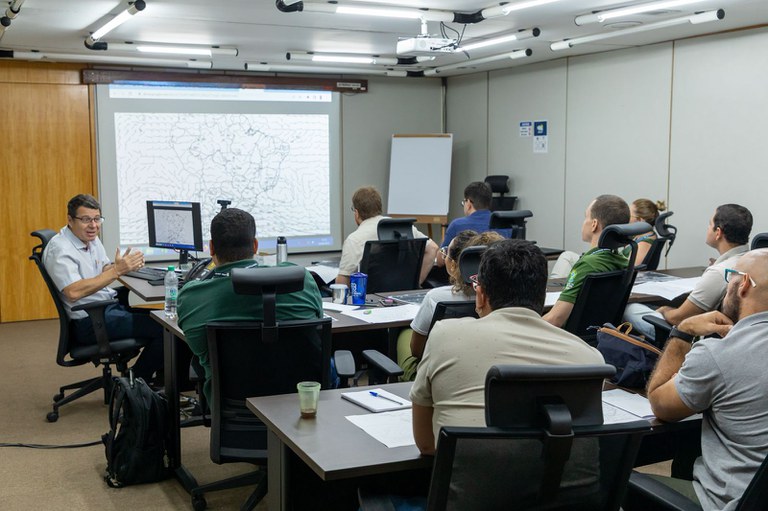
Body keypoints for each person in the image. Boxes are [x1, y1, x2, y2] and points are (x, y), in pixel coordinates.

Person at [410, 239, 604, 455]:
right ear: (542, 295)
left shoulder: (444, 335)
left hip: (472, 476)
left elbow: (426, 444)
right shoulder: (592, 359)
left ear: (481, 296)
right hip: (560, 477)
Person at [645, 249, 768, 510]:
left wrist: (683, 330)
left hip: (730, 503)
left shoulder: (720, 354)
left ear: (744, 284)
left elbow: (659, 403)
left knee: (617, 480)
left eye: (731, 276)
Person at [177, 208, 323, 405]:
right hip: (301, 403)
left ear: (211, 248)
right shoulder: (301, 279)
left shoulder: (192, 297)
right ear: (255, 245)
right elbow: (316, 327)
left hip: (232, 405)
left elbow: (199, 349)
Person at [42, 194, 163, 383]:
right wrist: (117, 270)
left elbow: (104, 269)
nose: (93, 225)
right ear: (70, 220)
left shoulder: (89, 238)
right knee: (165, 329)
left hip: (107, 309)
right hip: (91, 322)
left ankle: (162, 381)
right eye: (86, 219)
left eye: (97, 219)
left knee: (165, 319)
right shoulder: (61, 250)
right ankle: (135, 382)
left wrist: (123, 266)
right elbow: (73, 292)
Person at [624, 203, 752, 339]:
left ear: (718, 233)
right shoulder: (752, 262)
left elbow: (679, 318)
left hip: (689, 336)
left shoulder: (718, 272)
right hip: (736, 335)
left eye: (709, 224)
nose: (707, 228)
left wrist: (664, 310)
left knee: (629, 308)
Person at [397, 230, 505, 381]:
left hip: (439, 371)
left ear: (455, 264)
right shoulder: (504, 298)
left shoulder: (435, 297)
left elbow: (416, 351)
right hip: (489, 369)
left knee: (404, 335)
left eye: (446, 253)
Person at [543, 194, 630, 328]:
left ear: (594, 224)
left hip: (568, 336)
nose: (583, 222)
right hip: (600, 333)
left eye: (586, 217)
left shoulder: (588, 264)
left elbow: (555, 319)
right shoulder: (624, 261)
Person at [336, 186, 438, 287]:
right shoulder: (405, 229)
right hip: (404, 294)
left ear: (356, 213)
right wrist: (415, 283)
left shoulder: (355, 239)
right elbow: (433, 248)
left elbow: (342, 281)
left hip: (370, 296)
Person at [435, 181, 510, 267]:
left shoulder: (457, 225)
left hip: (465, 274)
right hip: (497, 272)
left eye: (464, 202)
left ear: (469, 204)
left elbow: (440, 261)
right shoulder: (505, 224)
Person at [623, 198, 666, 264]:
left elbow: (632, 268)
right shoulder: (644, 235)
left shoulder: (643, 244)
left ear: (640, 220)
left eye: (629, 215)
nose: (626, 217)